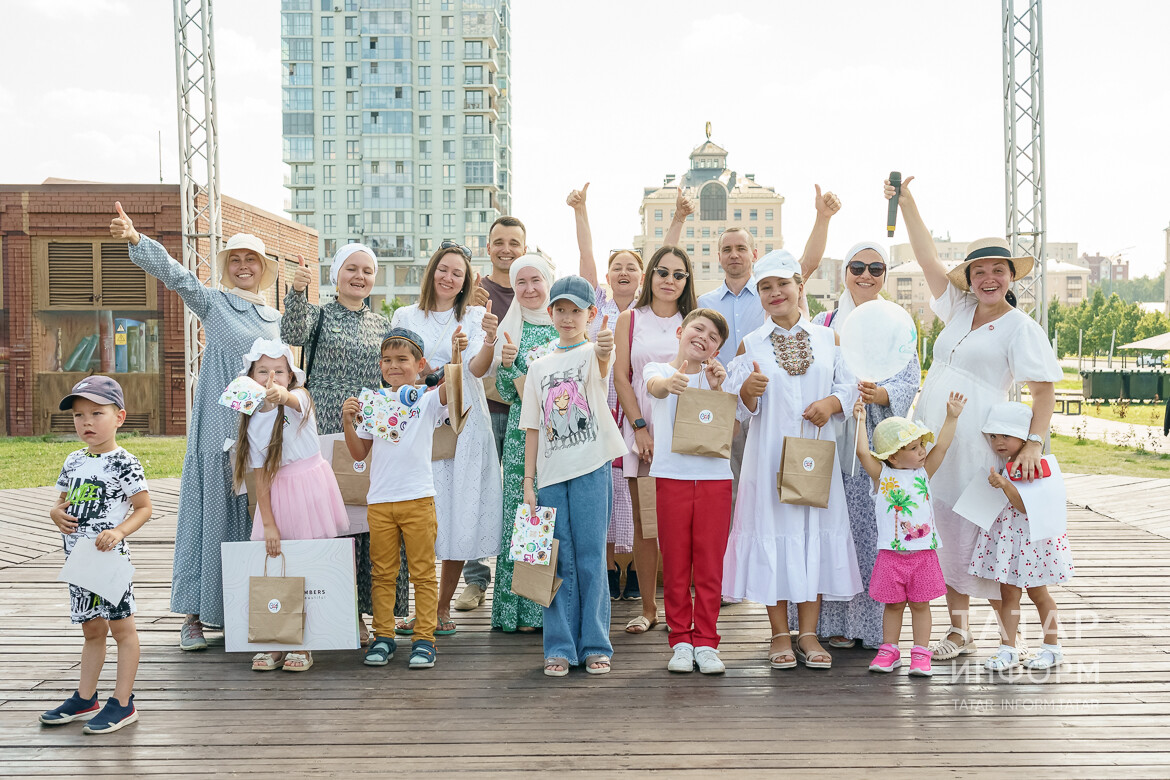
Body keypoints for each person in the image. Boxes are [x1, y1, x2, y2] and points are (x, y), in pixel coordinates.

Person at [887, 177, 1062, 659]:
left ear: (1010, 276)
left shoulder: (1020, 328)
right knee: (943, 530)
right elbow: (927, 259)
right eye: (979, 270)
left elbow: (1043, 390)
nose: (988, 278)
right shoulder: (959, 308)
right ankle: (959, 631)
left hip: (980, 444)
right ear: (969, 277)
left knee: (980, 535)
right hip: (936, 437)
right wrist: (908, 203)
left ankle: (1009, 640)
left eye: (998, 270)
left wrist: (1033, 443)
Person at [109, 202, 281, 650]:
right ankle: (195, 616)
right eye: (235, 260)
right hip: (218, 428)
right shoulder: (215, 302)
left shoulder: (276, 320)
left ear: (263, 269)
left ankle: (245, 613)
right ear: (227, 267)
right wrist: (137, 240)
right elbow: (178, 276)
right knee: (210, 516)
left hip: (260, 430)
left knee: (256, 518)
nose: (243, 267)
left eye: (251, 260)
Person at [723, 250, 860, 671]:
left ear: (800, 286)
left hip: (815, 457)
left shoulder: (828, 338)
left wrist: (831, 403)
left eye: (783, 284)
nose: (775, 292)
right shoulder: (751, 344)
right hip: (769, 458)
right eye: (765, 287)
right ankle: (779, 632)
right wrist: (747, 392)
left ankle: (809, 633)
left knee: (811, 534)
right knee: (775, 534)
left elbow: (849, 386)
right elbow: (737, 409)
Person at [792, 241, 922, 651]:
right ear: (845, 271)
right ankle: (827, 623)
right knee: (829, 531)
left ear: (886, 274)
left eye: (876, 268)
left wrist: (879, 394)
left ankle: (870, 625)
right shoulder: (825, 320)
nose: (866, 275)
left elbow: (909, 380)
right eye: (857, 266)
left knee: (872, 533)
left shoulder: (898, 324)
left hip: (874, 445)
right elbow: (808, 372)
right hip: (829, 439)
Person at [282, 244, 407, 644]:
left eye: (367, 271)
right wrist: (297, 292)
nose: (360, 277)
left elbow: (396, 370)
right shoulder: (319, 315)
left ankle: (371, 612)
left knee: (369, 520)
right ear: (336, 275)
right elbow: (291, 334)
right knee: (330, 520)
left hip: (368, 424)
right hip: (322, 427)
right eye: (351, 269)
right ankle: (340, 610)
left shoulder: (382, 324)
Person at [571, 182, 690, 599]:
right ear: (607, 277)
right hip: (602, 411)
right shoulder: (597, 308)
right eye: (616, 267)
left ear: (643, 276)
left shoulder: (651, 311)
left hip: (644, 412)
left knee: (638, 499)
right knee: (604, 496)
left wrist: (678, 218)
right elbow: (586, 258)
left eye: (631, 267)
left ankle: (639, 576)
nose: (624, 272)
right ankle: (608, 572)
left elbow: (668, 258)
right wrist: (581, 212)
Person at [699, 187, 841, 514]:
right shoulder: (705, 302)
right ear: (718, 257)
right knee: (735, 488)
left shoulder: (772, 288)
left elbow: (807, 263)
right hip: (730, 403)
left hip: (775, 407)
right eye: (726, 249)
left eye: (741, 248)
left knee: (783, 488)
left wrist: (822, 218)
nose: (734, 255)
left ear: (754, 254)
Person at [391, 242, 502, 637]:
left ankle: (440, 609)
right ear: (432, 271)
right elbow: (396, 367)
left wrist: (489, 340)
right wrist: (429, 371)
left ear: (466, 281)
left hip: (463, 420)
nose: (449, 278)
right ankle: (419, 609)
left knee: (456, 511)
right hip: (419, 417)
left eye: (458, 273)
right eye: (444, 269)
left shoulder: (474, 316)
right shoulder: (405, 315)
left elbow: (477, 370)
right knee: (419, 513)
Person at [520, 276, 627, 677]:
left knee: (591, 558)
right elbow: (532, 427)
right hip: (550, 477)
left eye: (576, 311)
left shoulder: (593, 353)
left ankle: (596, 645)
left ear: (591, 314)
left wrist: (605, 347)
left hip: (592, 468)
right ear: (550, 313)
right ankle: (560, 647)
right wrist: (528, 483)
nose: (567, 317)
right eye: (560, 310)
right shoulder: (538, 366)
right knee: (556, 559)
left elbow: (604, 361)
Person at [41, 377, 152, 734]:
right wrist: (54, 513)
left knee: (122, 629)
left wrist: (119, 531)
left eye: (96, 413)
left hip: (109, 561)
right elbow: (61, 502)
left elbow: (144, 508)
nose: (86, 422)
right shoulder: (73, 460)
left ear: (119, 417)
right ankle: (85, 698)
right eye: (79, 415)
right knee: (91, 628)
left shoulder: (125, 463)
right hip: (78, 562)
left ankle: (122, 702)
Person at [232, 339, 349, 673]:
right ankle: (275, 639)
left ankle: (305, 643)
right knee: (277, 566)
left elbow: (292, 399)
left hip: (310, 491)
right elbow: (260, 477)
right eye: (263, 371)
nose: (271, 377)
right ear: (250, 377)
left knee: (307, 566)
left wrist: (282, 395)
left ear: (291, 376)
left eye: (279, 371)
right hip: (277, 496)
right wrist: (268, 522)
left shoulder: (301, 398)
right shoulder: (252, 418)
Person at [342, 329, 449, 669]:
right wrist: (348, 421)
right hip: (380, 502)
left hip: (418, 499)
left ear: (419, 364)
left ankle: (424, 639)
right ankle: (383, 636)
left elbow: (456, 386)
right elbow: (359, 453)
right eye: (387, 360)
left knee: (422, 573)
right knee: (383, 573)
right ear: (380, 365)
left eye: (403, 359)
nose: (394, 366)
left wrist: (456, 356)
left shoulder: (427, 399)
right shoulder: (372, 401)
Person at [613, 245, 698, 634]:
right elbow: (621, 377)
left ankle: (682, 609)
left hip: (686, 436)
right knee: (647, 524)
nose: (669, 280)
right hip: (644, 434)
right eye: (663, 272)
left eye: (678, 275)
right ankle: (649, 609)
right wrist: (639, 427)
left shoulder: (693, 320)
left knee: (684, 526)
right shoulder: (630, 319)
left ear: (687, 281)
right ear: (650, 276)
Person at [643, 309, 733, 674]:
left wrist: (718, 389)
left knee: (710, 565)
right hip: (672, 477)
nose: (703, 338)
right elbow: (654, 388)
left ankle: (707, 642)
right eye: (698, 329)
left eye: (713, 338)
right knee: (676, 563)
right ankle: (680, 640)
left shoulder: (719, 377)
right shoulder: (658, 369)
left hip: (715, 480)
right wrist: (672, 382)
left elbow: (732, 428)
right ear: (681, 331)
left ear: (717, 350)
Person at [854, 392, 966, 678]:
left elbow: (942, 447)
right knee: (892, 605)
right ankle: (889, 651)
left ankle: (920, 653)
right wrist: (861, 421)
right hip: (891, 555)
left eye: (921, 445)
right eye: (913, 448)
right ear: (893, 456)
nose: (921, 451)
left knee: (920, 604)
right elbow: (863, 453)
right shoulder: (882, 475)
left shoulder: (923, 472)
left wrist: (951, 417)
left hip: (923, 554)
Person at [455, 217, 529, 611]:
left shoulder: (533, 288)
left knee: (524, 495)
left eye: (514, 243)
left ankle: (521, 582)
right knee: (479, 492)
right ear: (488, 247)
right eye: (499, 242)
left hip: (524, 412)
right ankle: (476, 579)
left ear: (524, 248)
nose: (506, 249)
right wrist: (467, 304)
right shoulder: (473, 291)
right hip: (483, 407)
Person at [972, 402, 1074, 671]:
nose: (998, 442)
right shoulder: (1004, 463)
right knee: (1008, 594)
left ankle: (1052, 647)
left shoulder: (1032, 464)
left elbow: (1025, 506)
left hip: (1032, 543)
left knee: (1039, 594)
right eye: (994, 436)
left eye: (1006, 435)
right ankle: (1007, 649)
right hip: (1010, 541)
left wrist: (1005, 485)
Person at [490, 253, 558, 632]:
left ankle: (546, 610)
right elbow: (506, 393)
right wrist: (508, 365)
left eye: (536, 280)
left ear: (548, 281)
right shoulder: (511, 327)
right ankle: (516, 612)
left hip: (561, 436)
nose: (529, 289)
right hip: (521, 435)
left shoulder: (563, 322)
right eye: (521, 282)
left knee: (554, 516)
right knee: (524, 517)